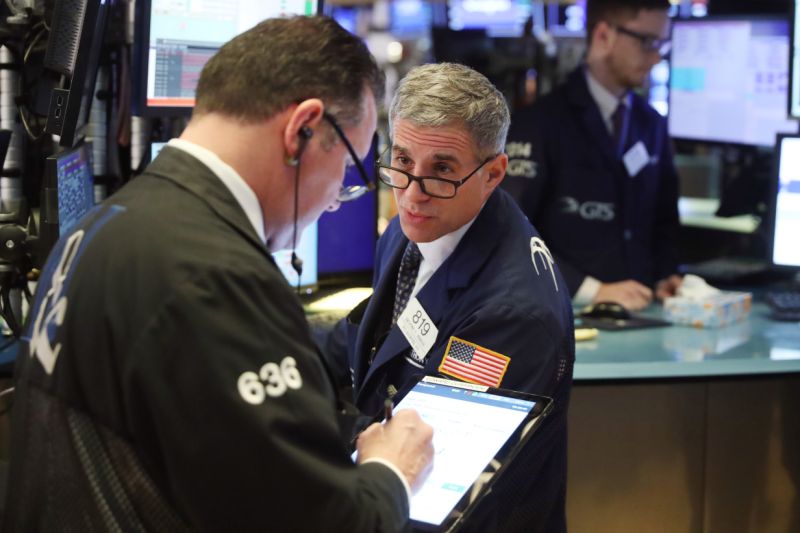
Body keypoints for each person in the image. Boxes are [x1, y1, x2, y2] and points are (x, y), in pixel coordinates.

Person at [4, 16, 434, 532]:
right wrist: (393, 470)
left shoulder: (108, 222)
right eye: (347, 168)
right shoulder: (215, 276)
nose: (337, 199)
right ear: (302, 129)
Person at [320, 63, 575, 532]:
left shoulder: (511, 314)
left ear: (494, 172)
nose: (413, 194)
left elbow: (428, 457)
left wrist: (290, 429)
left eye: (442, 170)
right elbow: (370, 338)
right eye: (402, 162)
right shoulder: (411, 229)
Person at [504, 0, 682, 311]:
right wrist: (590, 290)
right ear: (603, 36)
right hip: (565, 313)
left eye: (662, 44)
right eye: (648, 42)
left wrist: (666, 274)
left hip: (642, 313)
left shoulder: (651, 124)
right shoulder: (540, 123)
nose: (656, 57)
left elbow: (664, 220)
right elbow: (511, 232)